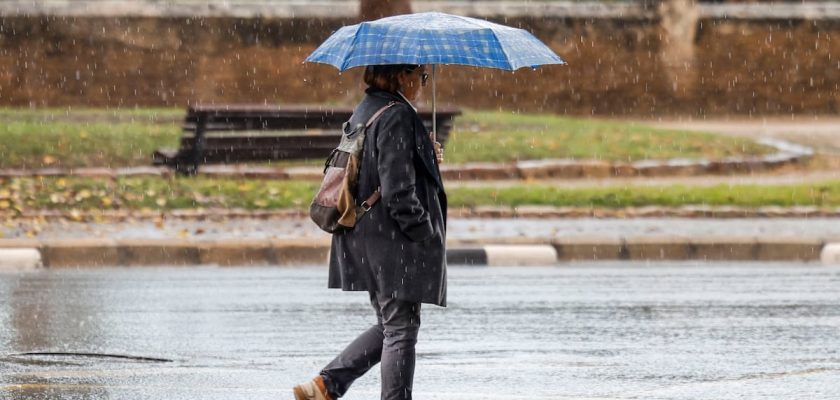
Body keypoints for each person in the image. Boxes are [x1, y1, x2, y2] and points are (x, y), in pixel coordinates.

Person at [293, 64, 447, 400]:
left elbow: (376, 170)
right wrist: (422, 232)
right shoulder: (398, 116)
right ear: (403, 76)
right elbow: (398, 192)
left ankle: (325, 386)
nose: (423, 83)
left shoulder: (368, 108)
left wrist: (425, 158)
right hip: (392, 240)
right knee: (401, 329)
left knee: (392, 325)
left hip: (365, 234)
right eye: (422, 76)